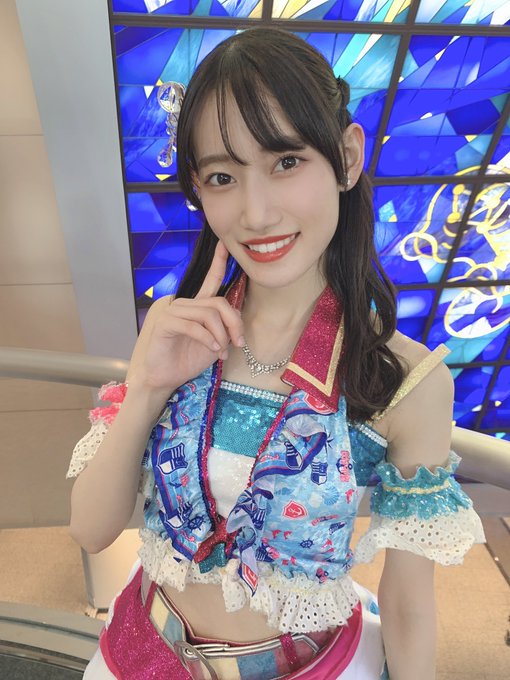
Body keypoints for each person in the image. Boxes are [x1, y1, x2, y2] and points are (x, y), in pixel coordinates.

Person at [67, 27, 485, 680]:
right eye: (222, 177)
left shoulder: (402, 379)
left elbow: (408, 605)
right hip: (145, 651)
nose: (256, 213)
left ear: (347, 158)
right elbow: (92, 529)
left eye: (286, 162)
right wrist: (146, 386)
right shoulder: (183, 335)